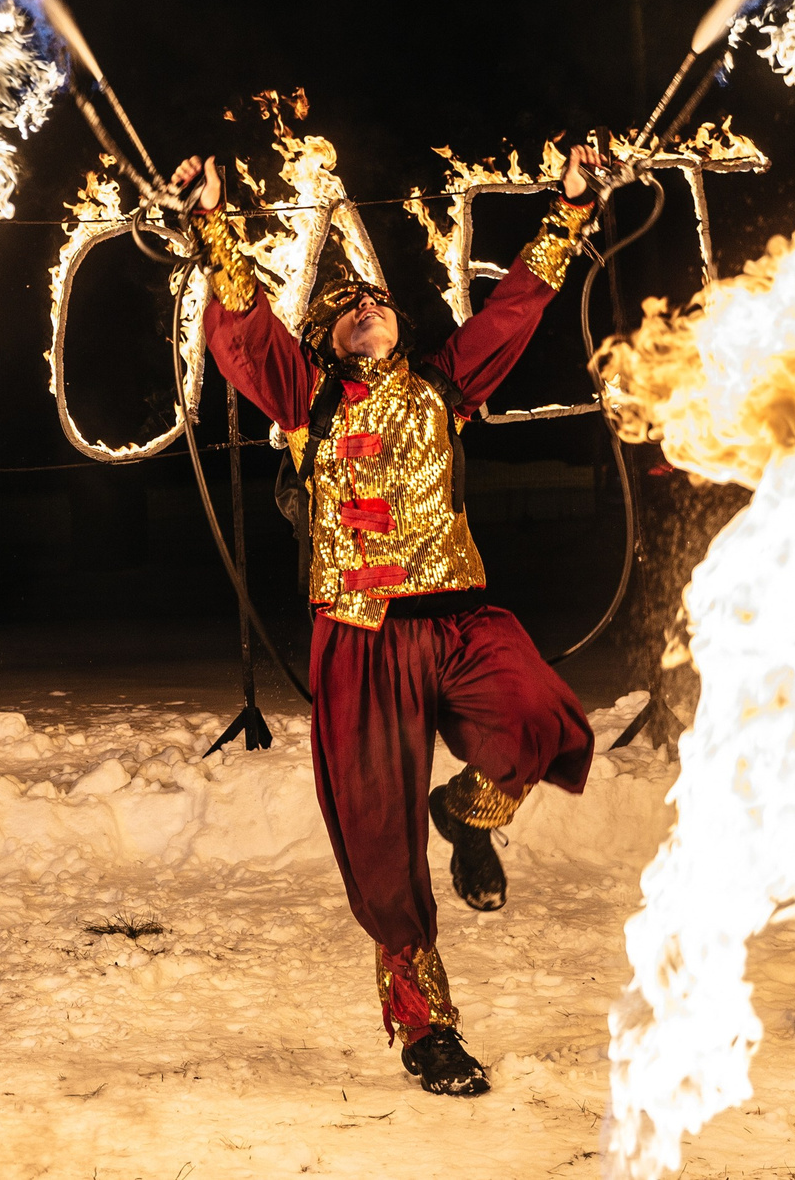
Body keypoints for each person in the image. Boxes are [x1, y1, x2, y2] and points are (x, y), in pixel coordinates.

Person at [173, 144, 606, 1097]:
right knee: (378, 847)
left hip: (457, 618)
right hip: (361, 641)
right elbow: (245, 331)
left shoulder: (445, 385)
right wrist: (213, 226)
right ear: (326, 343)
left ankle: (469, 811)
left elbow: (514, 307)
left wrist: (568, 212)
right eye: (342, 311)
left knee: (540, 717)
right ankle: (427, 1029)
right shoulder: (309, 399)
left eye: (374, 301)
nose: (364, 307)